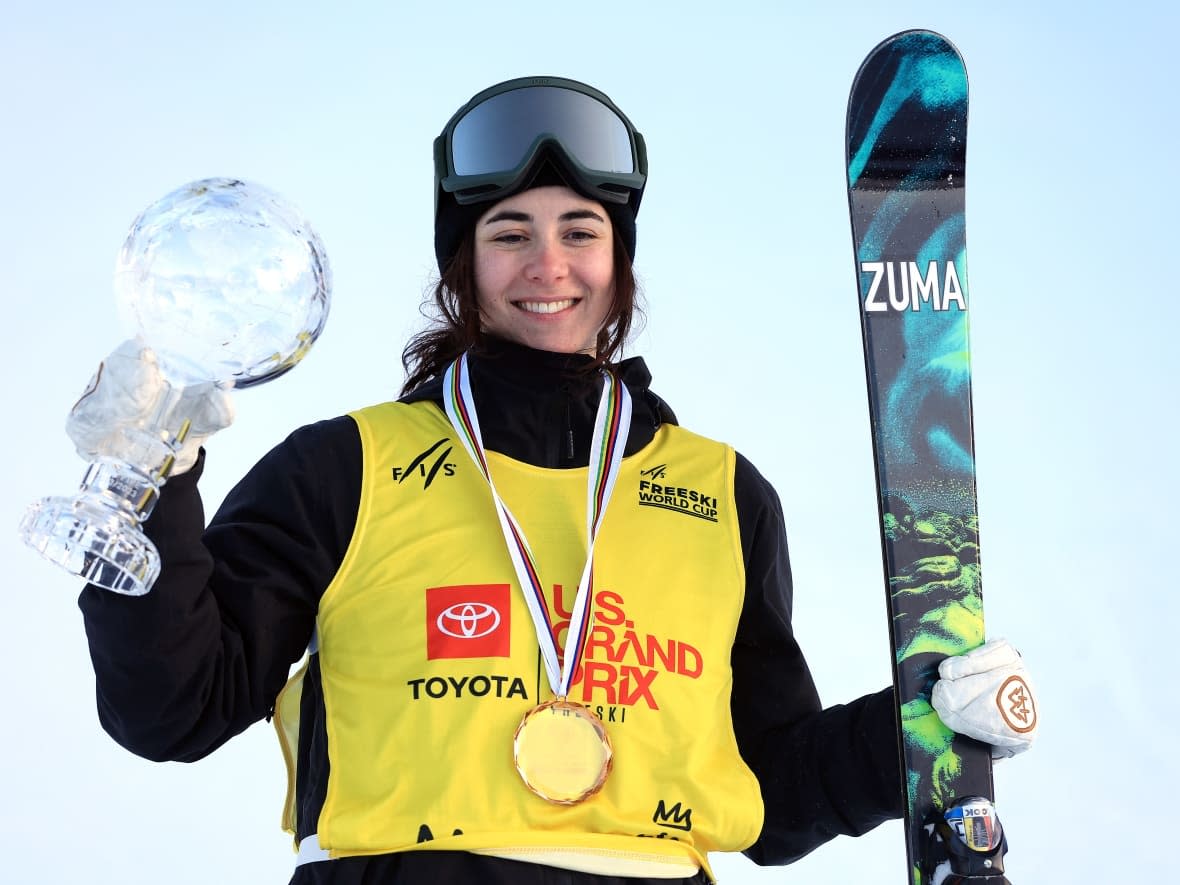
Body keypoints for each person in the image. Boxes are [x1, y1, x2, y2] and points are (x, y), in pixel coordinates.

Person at [68, 76, 1036, 884]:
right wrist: (151, 486)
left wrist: (919, 733)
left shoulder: (725, 496)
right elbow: (175, 707)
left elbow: (769, 795)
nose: (548, 264)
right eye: (508, 233)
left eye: (580, 230)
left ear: (619, 263)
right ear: (463, 265)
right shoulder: (343, 469)